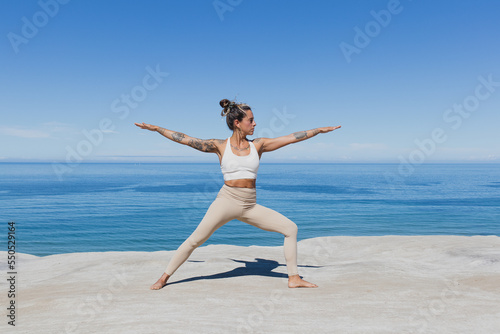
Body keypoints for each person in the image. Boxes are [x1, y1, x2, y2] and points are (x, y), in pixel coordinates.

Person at [135, 99, 341, 289]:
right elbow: (186, 139)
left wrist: (318, 131)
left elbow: (290, 138)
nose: (254, 124)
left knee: (290, 228)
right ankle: (164, 277)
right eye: (250, 120)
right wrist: (156, 129)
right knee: (195, 240)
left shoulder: (258, 145)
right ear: (237, 122)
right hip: (226, 201)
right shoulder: (220, 146)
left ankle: (294, 278)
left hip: (250, 205)